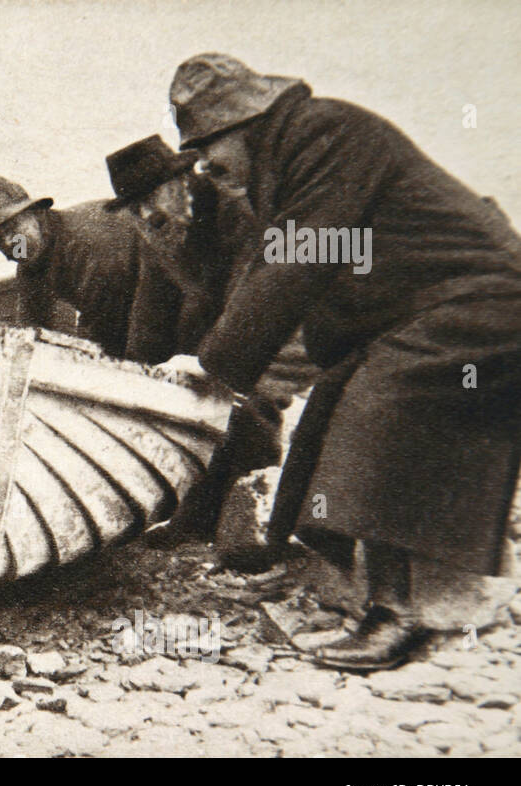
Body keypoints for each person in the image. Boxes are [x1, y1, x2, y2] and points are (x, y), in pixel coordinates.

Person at [166, 53, 521, 669]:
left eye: (205, 146)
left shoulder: (325, 133)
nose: (203, 164)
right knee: (333, 407)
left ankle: (401, 617)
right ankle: (360, 590)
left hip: (483, 296)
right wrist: (227, 363)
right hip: (427, 309)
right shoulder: (289, 160)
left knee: (383, 410)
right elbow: (282, 263)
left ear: (241, 124)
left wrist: (216, 367)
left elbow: (298, 262)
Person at [104, 136, 289, 547]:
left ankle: (255, 505)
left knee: (247, 392)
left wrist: (215, 367)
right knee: (188, 371)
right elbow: (150, 311)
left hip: (288, 307)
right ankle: (198, 512)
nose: (147, 212)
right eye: (135, 205)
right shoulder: (157, 231)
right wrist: (138, 377)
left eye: (153, 196)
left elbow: (253, 307)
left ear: (182, 181)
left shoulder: (238, 213)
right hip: (225, 311)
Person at [0, 171, 186, 362]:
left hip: (180, 310)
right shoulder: (31, 254)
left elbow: (111, 327)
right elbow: (32, 327)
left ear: (37, 214)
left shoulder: (84, 242)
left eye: (13, 227)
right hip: (137, 319)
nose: (7, 242)